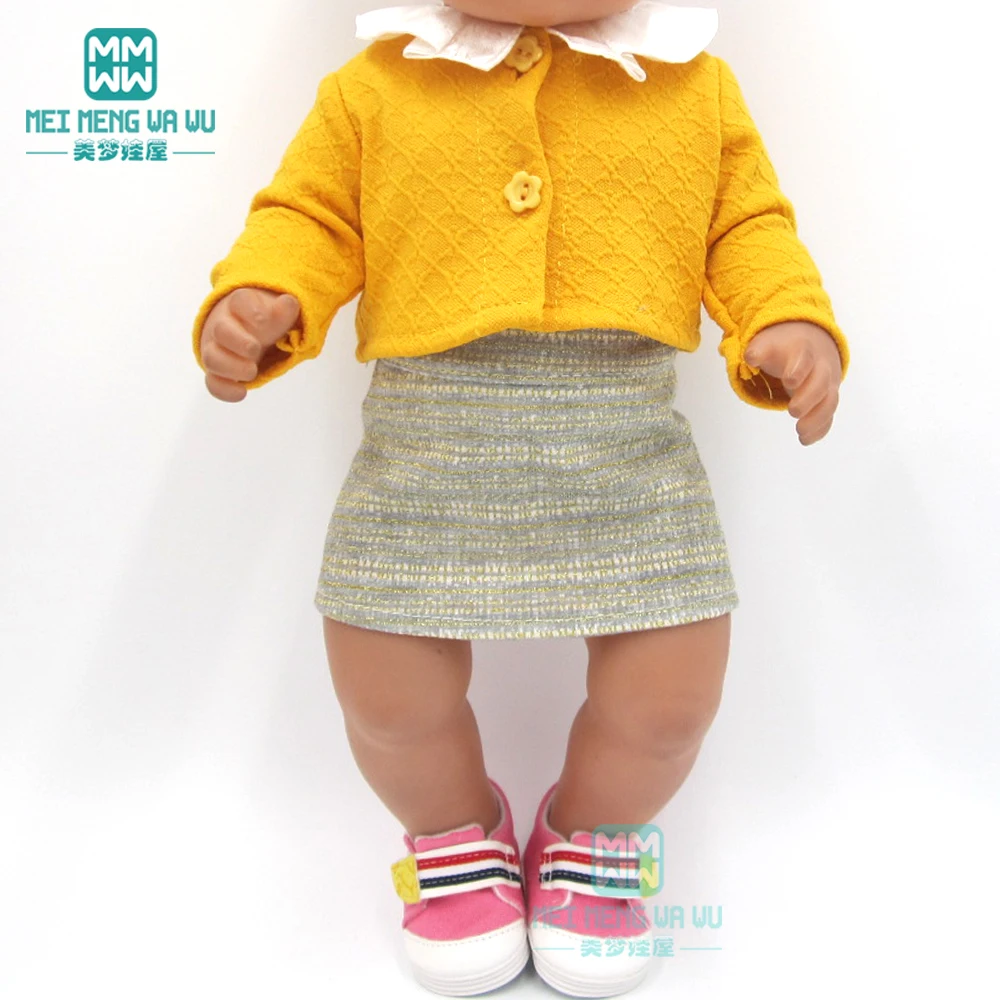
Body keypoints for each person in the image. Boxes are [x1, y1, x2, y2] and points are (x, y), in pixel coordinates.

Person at [190, 1, 849, 995]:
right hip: (426, 451)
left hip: (625, 453)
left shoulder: (693, 87)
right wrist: (267, 288)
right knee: (386, 694)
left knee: (670, 698)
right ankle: (453, 837)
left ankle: (593, 836)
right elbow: (310, 214)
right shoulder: (376, 86)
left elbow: (747, 224)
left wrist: (786, 316)